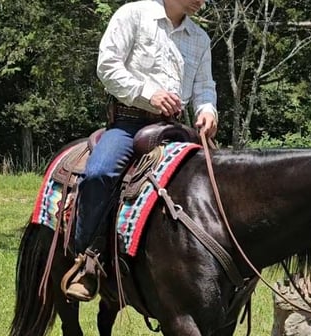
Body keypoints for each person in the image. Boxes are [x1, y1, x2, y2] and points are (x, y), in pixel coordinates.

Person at [63, 0, 218, 302]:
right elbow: (107, 66)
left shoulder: (200, 38)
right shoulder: (134, 14)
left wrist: (207, 109)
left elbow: (204, 87)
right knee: (99, 173)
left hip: (175, 128)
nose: (203, 0)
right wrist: (149, 93)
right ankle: (85, 259)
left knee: (216, 180)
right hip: (129, 123)